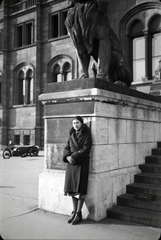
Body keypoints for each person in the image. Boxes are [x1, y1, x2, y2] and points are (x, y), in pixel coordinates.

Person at [63, 116, 92, 225]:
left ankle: (78, 213)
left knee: (80, 190)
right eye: (74, 123)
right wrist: (67, 157)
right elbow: (66, 147)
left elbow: (86, 149)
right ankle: (74, 212)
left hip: (81, 164)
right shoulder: (71, 134)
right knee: (72, 190)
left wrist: (73, 157)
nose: (75, 125)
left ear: (81, 123)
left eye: (77, 123)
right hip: (71, 164)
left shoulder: (86, 134)